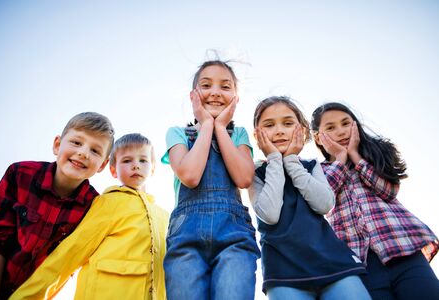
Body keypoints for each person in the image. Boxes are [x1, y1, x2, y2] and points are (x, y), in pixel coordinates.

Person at [9, 133, 169, 300]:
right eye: (127, 160)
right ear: (113, 170)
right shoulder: (109, 203)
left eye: (143, 160)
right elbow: (70, 252)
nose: (136, 166)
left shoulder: (165, 217)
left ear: (153, 168)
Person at [311, 102, 439, 299]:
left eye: (346, 123)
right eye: (330, 127)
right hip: (360, 262)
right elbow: (321, 200)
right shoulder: (318, 171)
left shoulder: (375, 155)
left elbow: (388, 190)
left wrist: (354, 155)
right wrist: (340, 160)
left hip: (402, 249)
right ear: (318, 137)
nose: (341, 131)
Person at [249, 96, 370, 300]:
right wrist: (275, 160)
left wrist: (291, 161)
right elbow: (269, 214)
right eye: (269, 125)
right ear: (257, 134)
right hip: (283, 270)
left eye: (287, 123)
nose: (279, 130)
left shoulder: (311, 166)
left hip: (333, 262)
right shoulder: (255, 172)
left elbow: (324, 204)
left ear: (302, 131)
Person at [161, 60, 260, 299]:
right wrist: (206, 124)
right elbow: (190, 175)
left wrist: (221, 127)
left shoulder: (238, 134)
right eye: (207, 85)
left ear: (235, 98)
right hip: (186, 234)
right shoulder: (177, 133)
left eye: (225, 87)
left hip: (233, 233)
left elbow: (244, 178)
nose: (215, 92)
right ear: (194, 95)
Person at [0, 112, 114, 300]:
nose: (83, 153)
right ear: (57, 145)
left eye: (95, 151)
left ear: (102, 165)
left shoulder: (94, 206)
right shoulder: (21, 174)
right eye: (76, 142)